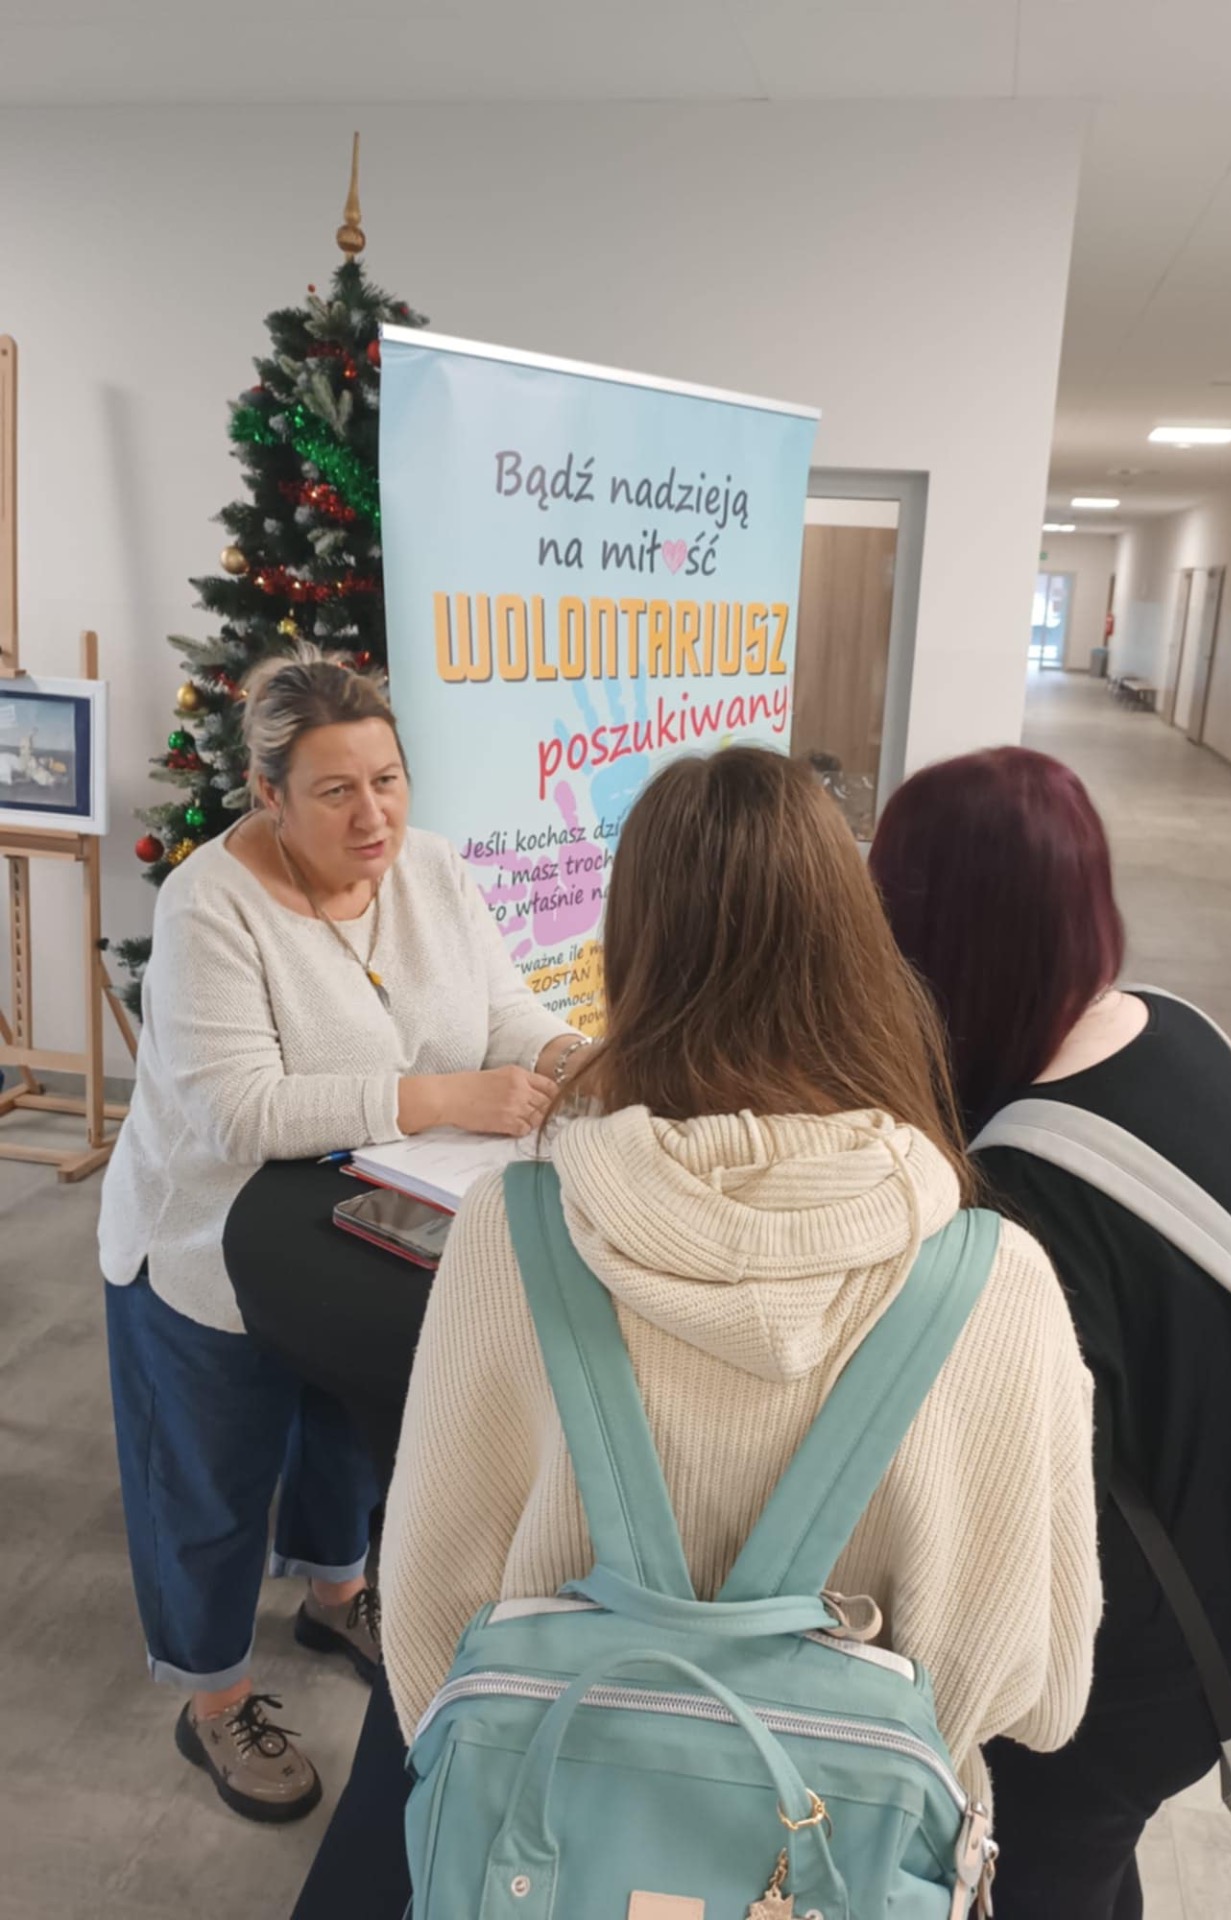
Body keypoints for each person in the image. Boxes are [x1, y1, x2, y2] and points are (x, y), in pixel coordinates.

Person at [380, 744, 1102, 1830]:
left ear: (631, 954)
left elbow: (424, 1640)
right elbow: (1049, 1700)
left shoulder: (507, 1238)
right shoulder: (999, 1283)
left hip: (552, 1849)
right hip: (855, 1866)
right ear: (861, 952)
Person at [99, 647, 583, 1823]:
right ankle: (214, 1699)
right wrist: (440, 1098)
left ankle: (332, 1598)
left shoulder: (432, 870)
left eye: (387, 780)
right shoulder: (209, 904)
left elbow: (503, 1009)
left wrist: (566, 1054)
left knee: (346, 1439)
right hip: (208, 1242)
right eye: (335, 791)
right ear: (268, 795)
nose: (374, 816)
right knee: (212, 1479)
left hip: (367, 1227)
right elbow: (240, 1110)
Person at [871, 746, 1231, 1920]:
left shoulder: (1025, 1191)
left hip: (1112, 1680)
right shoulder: (1185, 1038)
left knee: (1037, 1875)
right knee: (1093, 1862)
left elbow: (1021, 1512)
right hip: (1222, 1596)